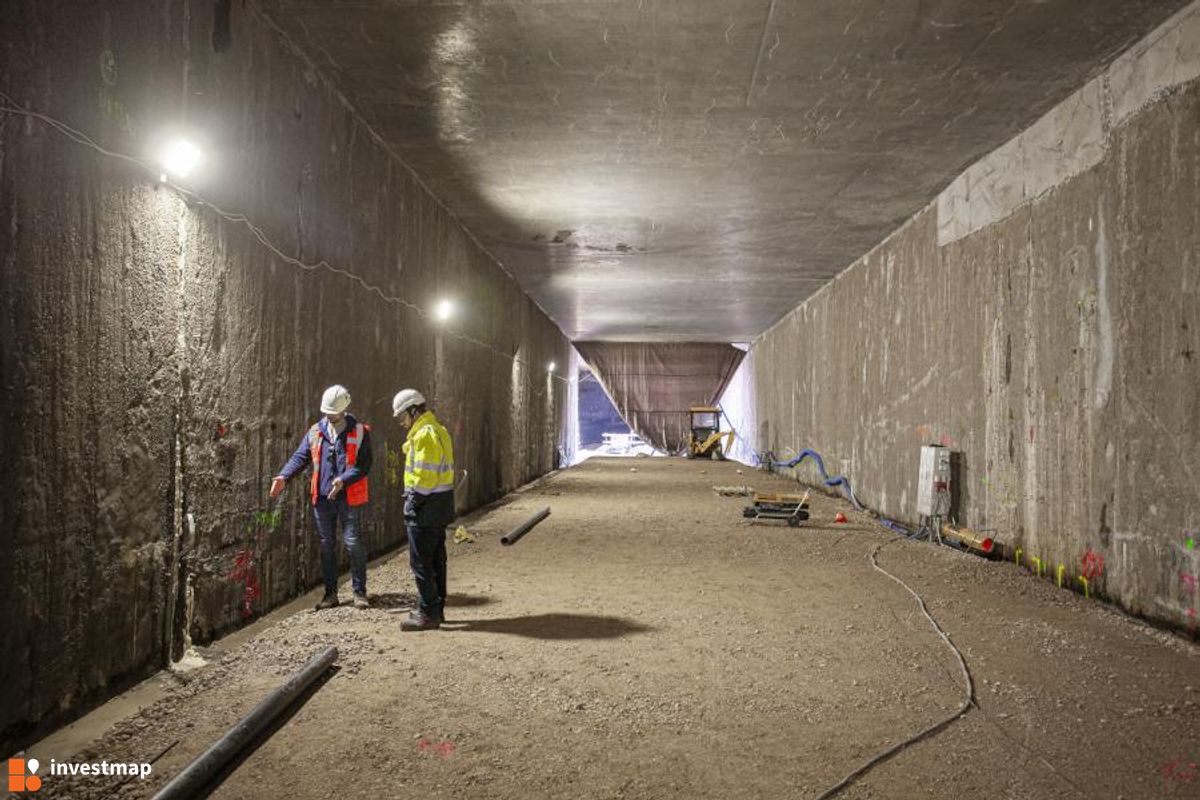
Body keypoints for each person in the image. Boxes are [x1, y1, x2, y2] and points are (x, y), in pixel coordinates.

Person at [270, 384, 372, 610]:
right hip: (323, 498)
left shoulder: (360, 431)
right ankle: (330, 594)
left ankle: (359, 592)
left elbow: (364, 466)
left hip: (348, 497)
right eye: (326, 411)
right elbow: (300, 457)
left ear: (344, 409)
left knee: (353, 543)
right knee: (327, 545)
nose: (328, 415)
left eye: (332, 412)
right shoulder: (316, 431)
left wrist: (343, 480)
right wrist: (284, 476)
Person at [393, 388, 456, 631]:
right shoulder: (438, 430)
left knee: (422, 563)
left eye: (403, 416)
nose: (402, 422)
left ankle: (428, 613)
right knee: (437, 559)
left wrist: (412, 503)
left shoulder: (425, 435)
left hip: (426, 506)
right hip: (440, 504)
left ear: (413, 410)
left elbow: (424, 477)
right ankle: (434, 607)